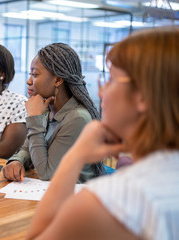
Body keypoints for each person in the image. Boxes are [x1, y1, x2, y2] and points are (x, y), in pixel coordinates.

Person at [26, 27, 179, 240]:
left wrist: (74, 157)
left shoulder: (110, 201)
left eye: (112, 80)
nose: (100, 91)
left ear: (143, 96)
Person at [3, 43, 103, 183]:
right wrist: (17, 161)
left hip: (73, 197)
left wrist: (34, 118)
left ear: (57, 80)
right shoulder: (47, 109)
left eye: (35, 74)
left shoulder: (77, 118)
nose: (29, 81)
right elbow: (26, 149)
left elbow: (47, 173)